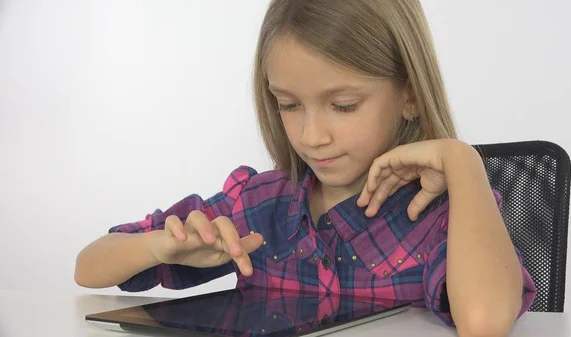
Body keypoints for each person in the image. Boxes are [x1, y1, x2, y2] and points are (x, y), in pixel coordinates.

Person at [75, 0, 536, 336]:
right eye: (289, 104)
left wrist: (463, 159)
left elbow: (485, 322)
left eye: (343, 105)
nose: (312, 136)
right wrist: (162, 246)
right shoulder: (258, 205)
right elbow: (88, 267)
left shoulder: (445, 216)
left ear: (410, 94)